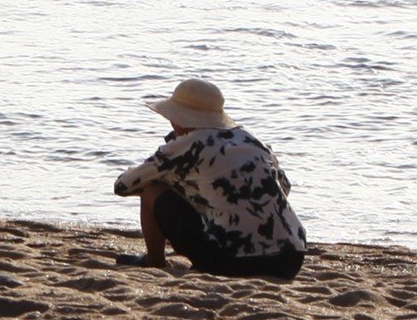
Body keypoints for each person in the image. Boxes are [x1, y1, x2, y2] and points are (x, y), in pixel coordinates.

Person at [112, 80, 307, 278]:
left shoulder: (186, 145)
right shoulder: (250, 139)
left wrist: (174, 180)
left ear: (177, 120)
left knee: (151, 189)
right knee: (211, 193)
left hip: (234, 259)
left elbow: (123, 185)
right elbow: (284, 187)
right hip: (291, 258)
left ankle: (154, 261)